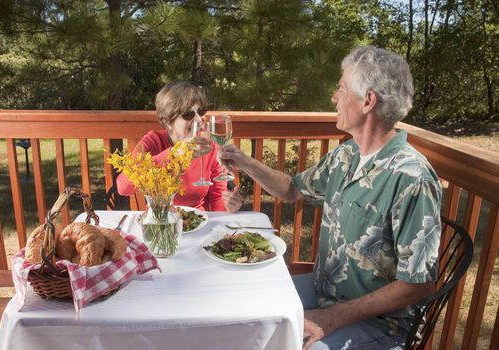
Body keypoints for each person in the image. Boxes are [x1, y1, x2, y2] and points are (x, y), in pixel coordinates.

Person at [220, 46, 442, 349]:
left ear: (368, 101)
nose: (334, 98)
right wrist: (244, 162)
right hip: (324, 292)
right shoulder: (346, 154)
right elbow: (291, 189)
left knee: (280, 344)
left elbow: (418, 283)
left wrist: (332, 318)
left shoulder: (411, 177)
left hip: (377, 323)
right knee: (244, 307)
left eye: (341, 88)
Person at [117, 81, 243, 213]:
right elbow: (123, 188)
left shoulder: (209, 146)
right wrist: (175, 154)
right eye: (188, 114)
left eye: (201, 111)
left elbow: (217, 198)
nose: (199, 120)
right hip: (161, 220)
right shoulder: (153, 142)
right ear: (168, 122)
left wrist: (228, 206)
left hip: (198, 221)